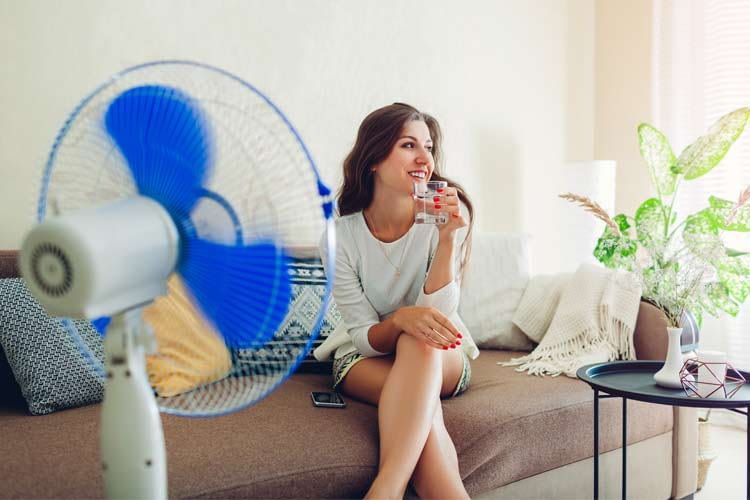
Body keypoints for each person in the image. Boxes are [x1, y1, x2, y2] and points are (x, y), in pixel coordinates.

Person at [314, 102, 478, 499]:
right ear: (373, 158)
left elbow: (439, 320)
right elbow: (365, 337)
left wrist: (447, 239)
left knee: (419, 339)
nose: (425, 159)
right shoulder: (341, 237)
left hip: (442, 351)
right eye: (409, 145)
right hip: (363, 356)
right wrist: (401, 319)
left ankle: (384, 490)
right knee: (422, 415)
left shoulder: (440, 221)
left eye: (429, 146)